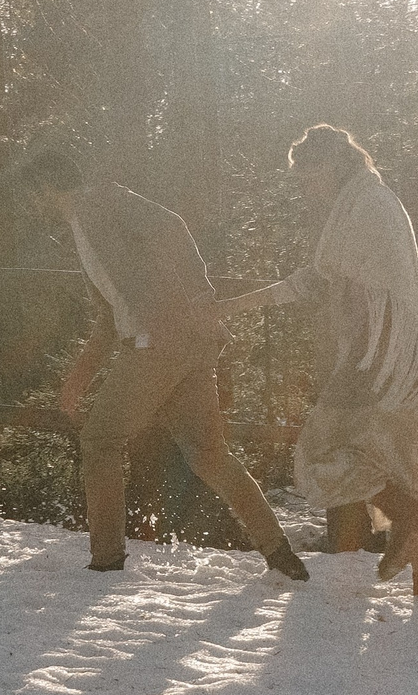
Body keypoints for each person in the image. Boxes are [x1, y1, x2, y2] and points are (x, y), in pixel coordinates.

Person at [217, 125, 418, 593]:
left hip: (382, 356)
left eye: (306, 176)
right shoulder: (370, 200)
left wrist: (232, 306)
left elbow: (316, 281)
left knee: (321, 453)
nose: (303, 187)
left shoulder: (363, 208)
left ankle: (410, 516)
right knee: (411, 461)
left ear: (330, 166)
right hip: (404, 355)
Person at [26, 149, 310, 581]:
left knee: (101, 441)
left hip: (158, 347)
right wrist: (78, 379)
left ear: (46, 187)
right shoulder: (85, 224)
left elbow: (172, 226)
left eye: (33, 195)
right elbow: (109, 316)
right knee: (209, 454)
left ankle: (106, 561)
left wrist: (197, 301)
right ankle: (278, 550)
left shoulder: (100, 203)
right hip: (178, 346)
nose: (31, 205)